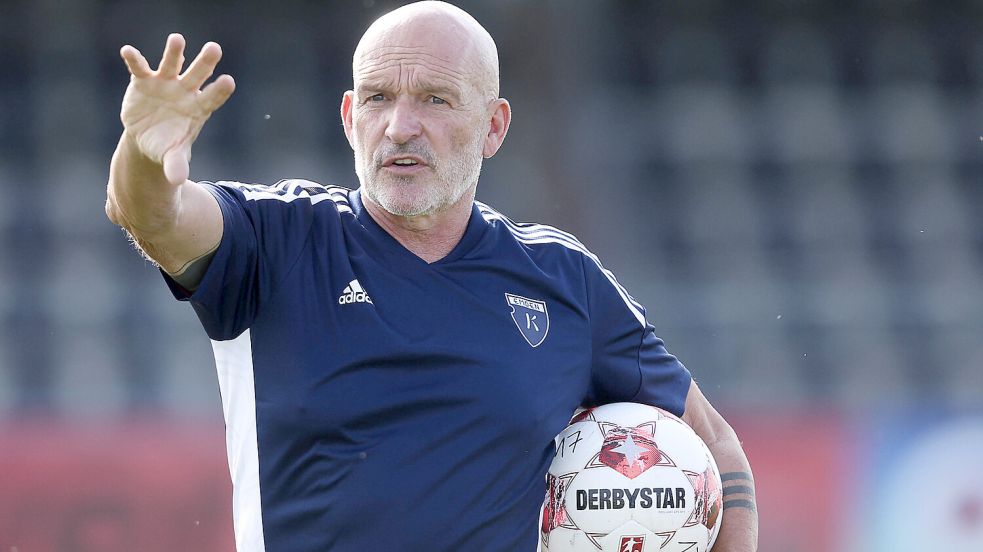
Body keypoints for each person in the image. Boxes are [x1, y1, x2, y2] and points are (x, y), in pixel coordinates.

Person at [105, 2, 758, 550]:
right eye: (378, 98)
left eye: (435, 100)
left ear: (493, 127)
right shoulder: (274, 238)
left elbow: (714, 444)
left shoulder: (563, 280)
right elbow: (155, 216)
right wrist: (142, 154)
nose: (399, 127)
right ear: (348, 118)